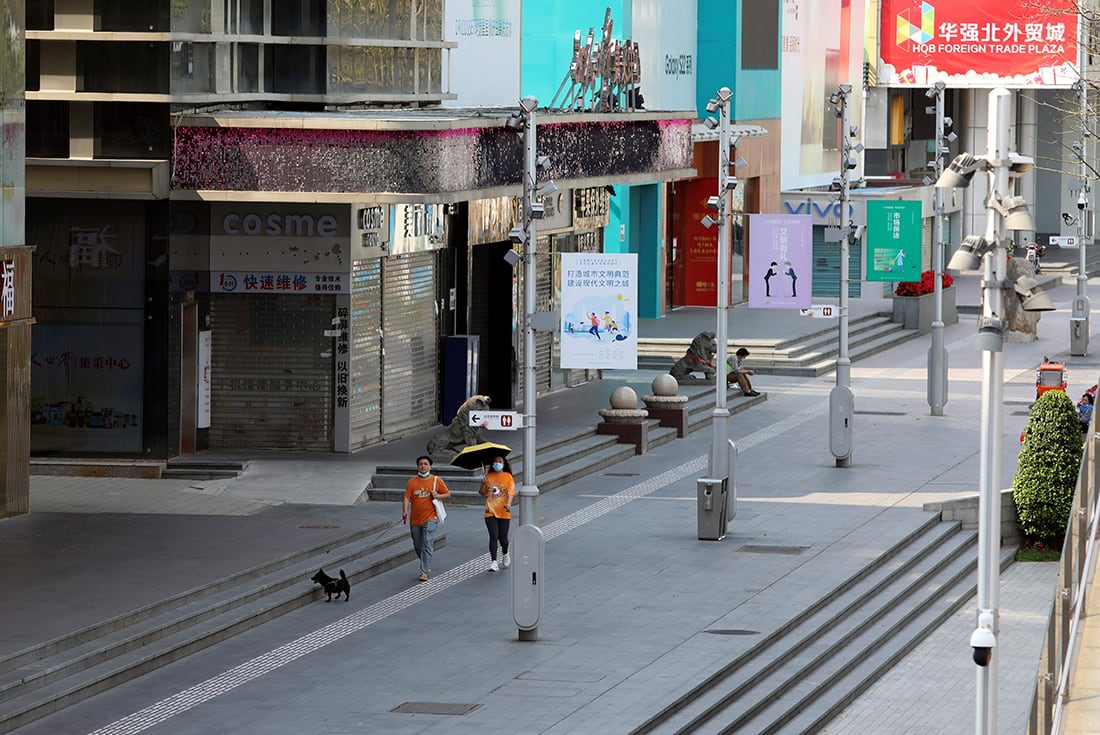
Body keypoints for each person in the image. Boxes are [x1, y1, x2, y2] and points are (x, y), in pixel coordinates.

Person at [403, 455, 450, 582]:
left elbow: (448, 494)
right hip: (415, 519)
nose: (423, 466)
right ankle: (425, 562)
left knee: (427, 543)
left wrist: (438, 496)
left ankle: (424, 571)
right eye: (420, 464)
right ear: (417, 466)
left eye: (425, 464)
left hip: (431, 517)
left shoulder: (436, 480)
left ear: (430, 466)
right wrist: (405, 511)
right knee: (417, 544)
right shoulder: (412, 482)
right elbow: (407, 497)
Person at [478, 454, 516, 572]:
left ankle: (505, 553)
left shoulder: (508, 477)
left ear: (504, 463)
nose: (497, 463)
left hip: (504, 511)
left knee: (503, 538)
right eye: (495, 461)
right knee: (493, 536)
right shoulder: (488, 476)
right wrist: (483, 483)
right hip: (490, 510)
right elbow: (482, 492)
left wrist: (509, 504)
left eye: (499, 461)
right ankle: (494, 562)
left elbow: (511, 492)